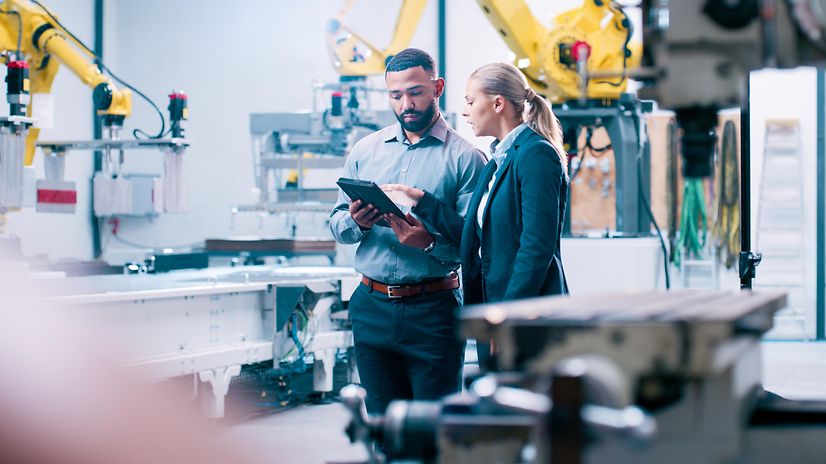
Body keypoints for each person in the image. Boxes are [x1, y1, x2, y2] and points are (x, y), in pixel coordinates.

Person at [329, 48, 486, 414]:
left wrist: (428, 243)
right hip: (371, 307)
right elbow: (337, 225)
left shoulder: (466, 159)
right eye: (396, 95)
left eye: (415, 92)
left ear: (438, 88)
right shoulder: (365, 151)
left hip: (433, 311)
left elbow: (473, 245)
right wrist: (357, 221)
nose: (406, 105)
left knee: (433, 427)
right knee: (382, 425)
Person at [382, 62, 570, 364]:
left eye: (470, 101)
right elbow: (471, 235)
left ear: (497, 104)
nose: (465, 111)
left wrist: (507, 318)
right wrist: (419, 200)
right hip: (493, 307)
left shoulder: (536, 154)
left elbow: (536, 248)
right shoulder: (498, 159)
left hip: (524, 314)